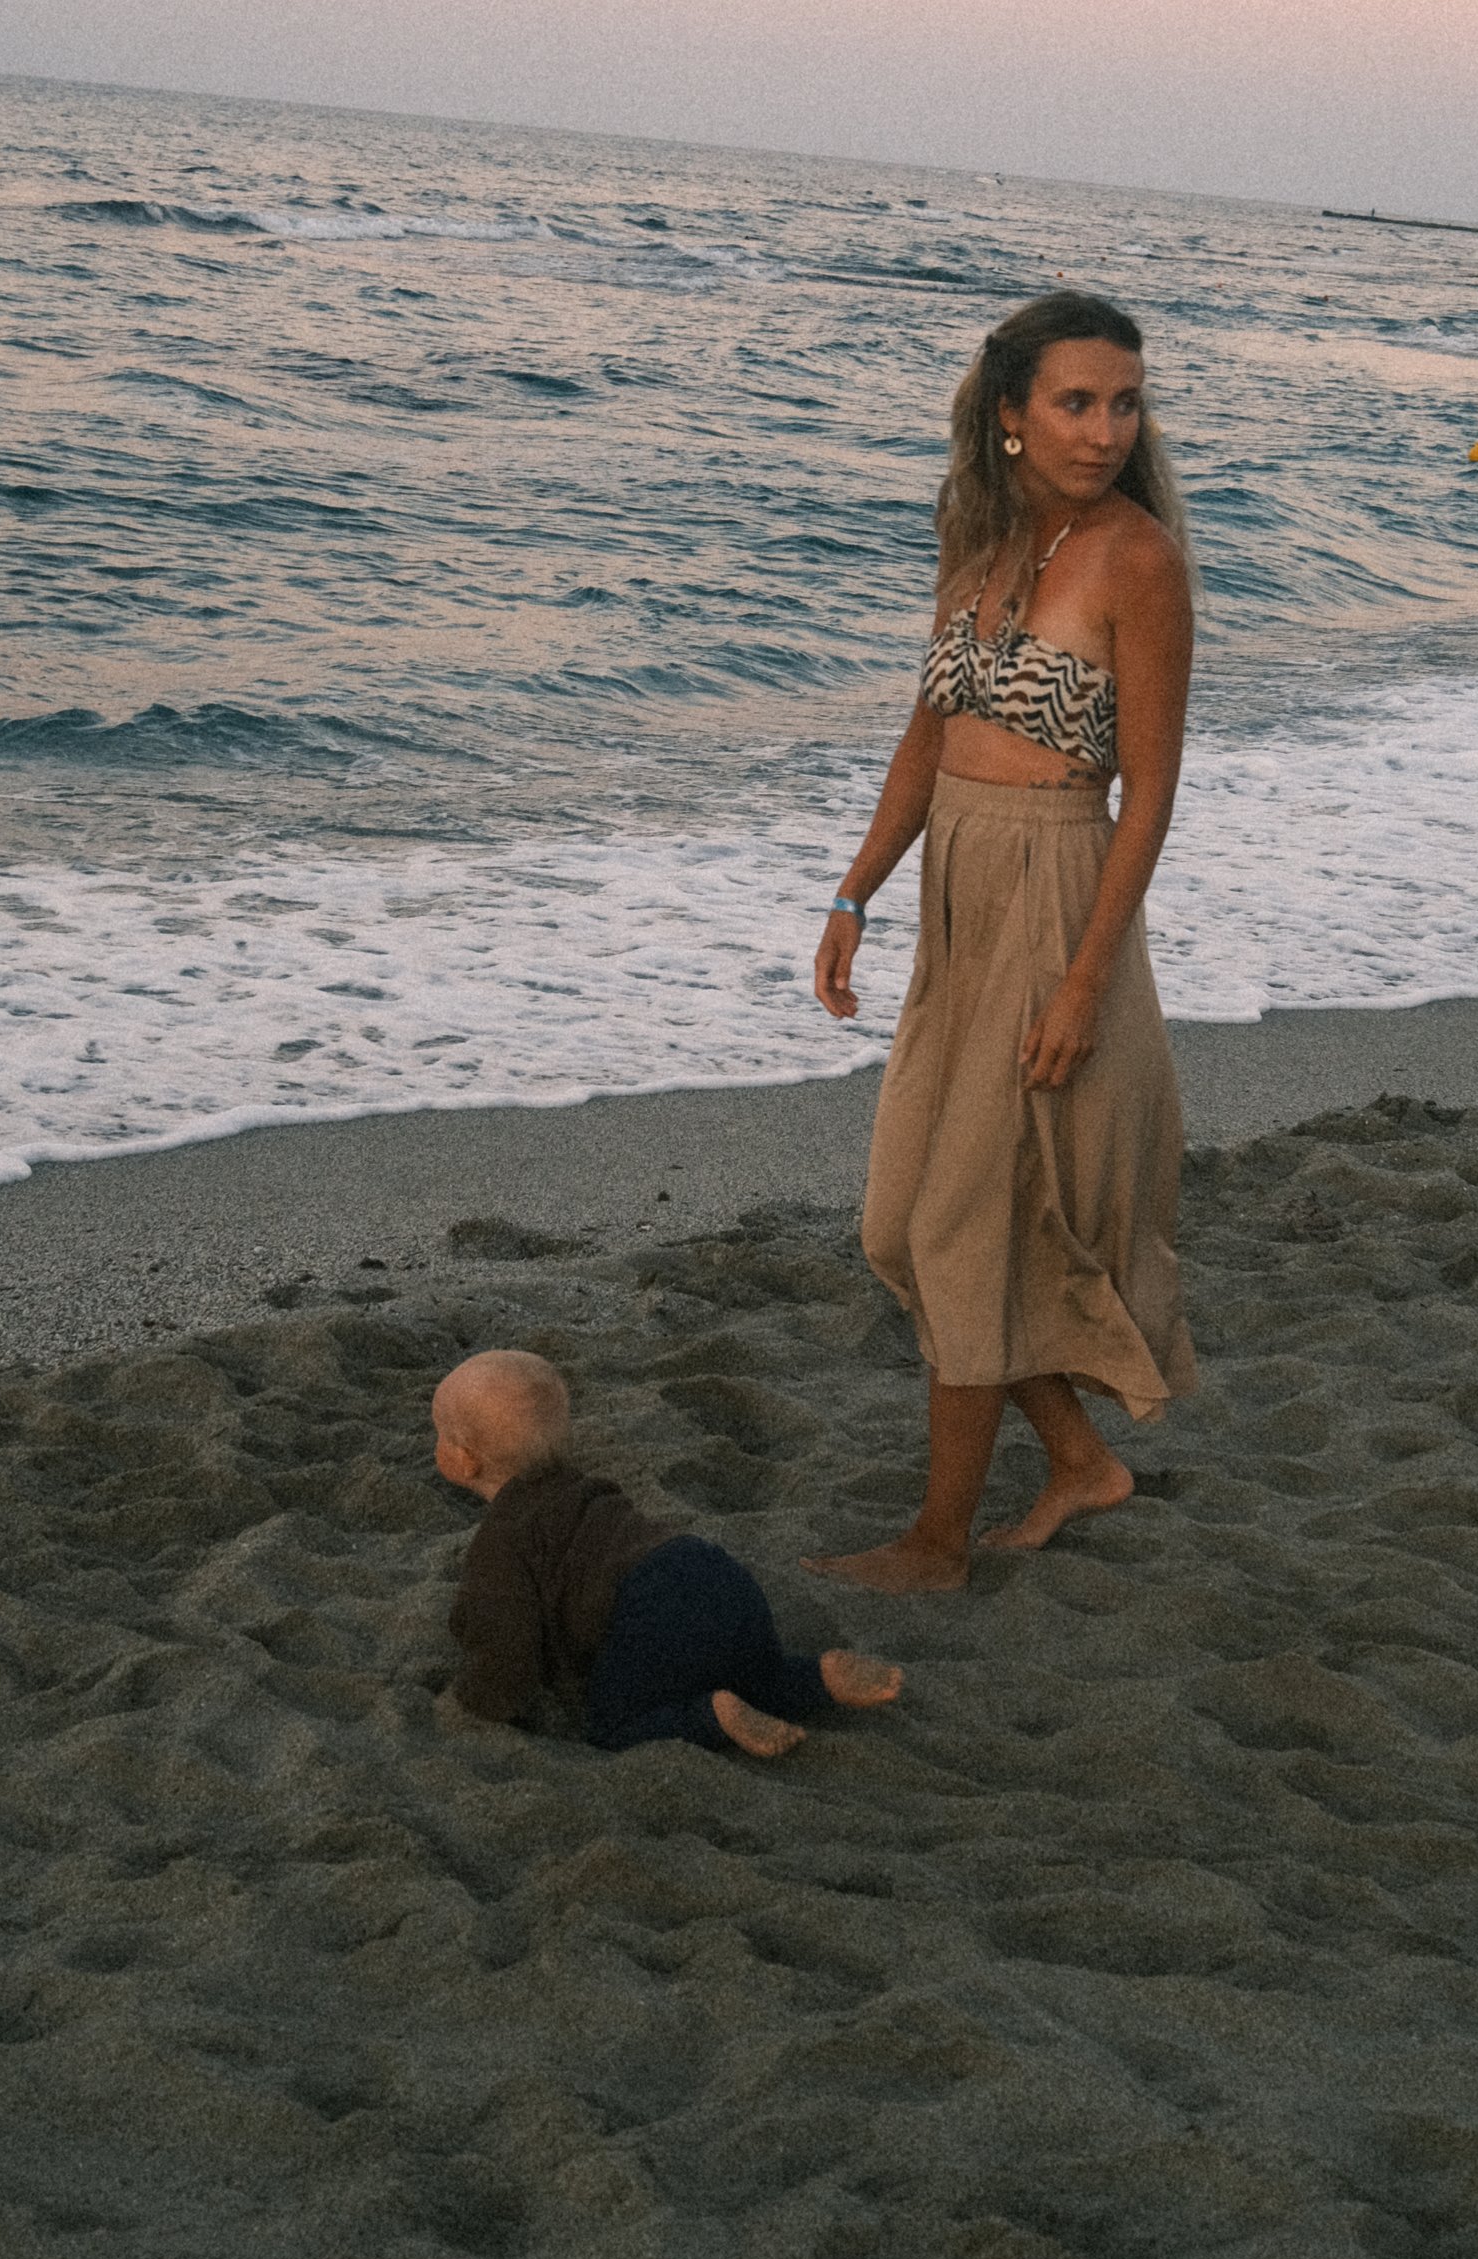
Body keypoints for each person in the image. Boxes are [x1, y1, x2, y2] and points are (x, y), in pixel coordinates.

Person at [807, 292, 1197, 1592]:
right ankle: (1081, 1461)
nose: (1104, 428)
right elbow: (927, 739)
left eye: (1124, 401)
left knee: (969, 1221)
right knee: (903, 1222)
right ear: (1012, 415)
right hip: (955, 903)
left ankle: (936, 1544)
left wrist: (1085, 978)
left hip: (1053, 886)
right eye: (1077, 401)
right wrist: (856, 893)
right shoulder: (978, 546)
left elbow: (1151, 791)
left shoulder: (1137, 560)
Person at [433, 1347, 903, 1758]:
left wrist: (473, 1702)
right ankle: (818, 1678)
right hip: (714, 1572)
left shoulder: (504, 1539)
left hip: (651, 1611)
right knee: (755, 1674)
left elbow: (506, 1647)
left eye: (440, 1433)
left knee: (616, 1725)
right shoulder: (587, 1490)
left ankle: (711, 1717)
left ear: (465, 1458)